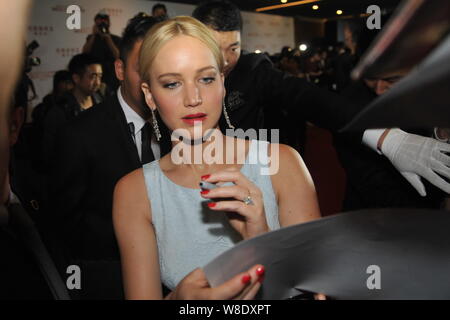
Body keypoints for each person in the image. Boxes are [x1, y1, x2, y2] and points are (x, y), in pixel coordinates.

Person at [112, 16, 321, 299]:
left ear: (222, 82)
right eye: (172, 83)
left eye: (206, 78)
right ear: (150, 96)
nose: (193, 97)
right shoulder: (135, 192)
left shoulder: (282, 163)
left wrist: (261, 237)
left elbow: (315, 288)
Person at [192, 0, 450, 200]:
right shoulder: (173, 73)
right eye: (215, 48)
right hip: (187, 180)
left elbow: (312, 99)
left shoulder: (253, 70)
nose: (224, 60)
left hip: (246, 187)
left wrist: (388, 138)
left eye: (233, 48)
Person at [45, 14, 171, 300]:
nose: (153, 79)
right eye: (143, 68)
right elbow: (63, 226)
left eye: (162, 68)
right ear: (120, 69)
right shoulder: (80, 135)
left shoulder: (180, 128)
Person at [41, 54, 103, 171]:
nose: (97, 82)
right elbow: (50, 151)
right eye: (92, 77)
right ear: (76, 78)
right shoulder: (60, 110)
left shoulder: (102, 103)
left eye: (100, 76)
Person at [82, 11, 121, 91]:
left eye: (105, 20)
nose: (103, 22)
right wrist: (93, 35)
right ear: (95, 23)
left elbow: (119, 56)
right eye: (100, 20)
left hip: (112, 76)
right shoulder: (91, 38)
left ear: (109, 23)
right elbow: (84, 53)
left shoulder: (116, 39)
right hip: (95, 76)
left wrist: (108, 40)